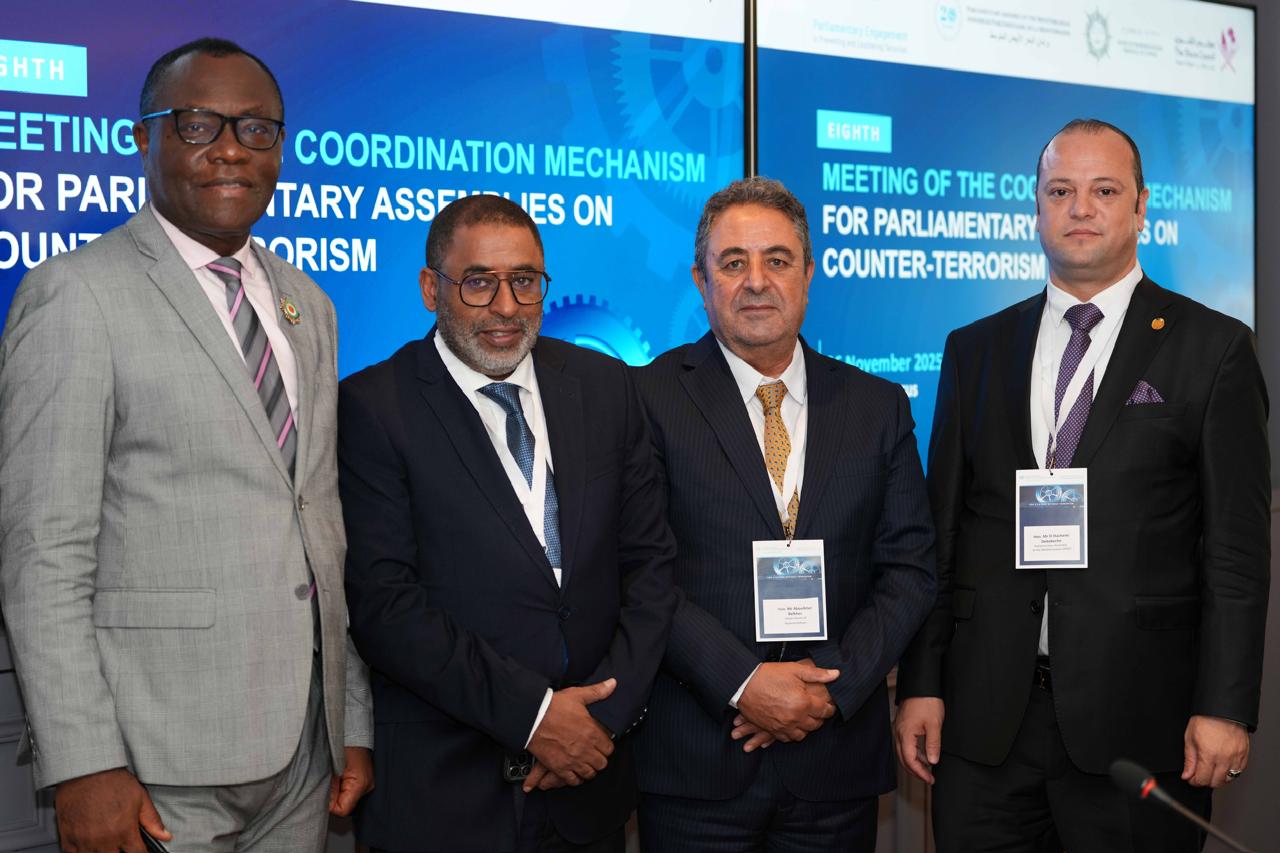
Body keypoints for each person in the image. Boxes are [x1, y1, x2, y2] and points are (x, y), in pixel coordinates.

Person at [0, 37, 374, 853]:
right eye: (199, 124)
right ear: (144, 138)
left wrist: (348, 717)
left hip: (301, 758)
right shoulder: (75, 294)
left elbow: (320, 522)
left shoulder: (309, 301)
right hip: (151, 762)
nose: (231, 149)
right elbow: (42, 552)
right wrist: (84, 762)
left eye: (256, 128)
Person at [895, 118, 1270, 852]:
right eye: (1061, 191)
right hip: (986, 725)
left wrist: (1226, 707)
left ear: (1141, 206)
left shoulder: (1213, 347)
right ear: (1035, 207)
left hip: (1142, 724)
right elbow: (944, 533)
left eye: (1104, 190)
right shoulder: (975, 349)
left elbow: (1235, 551)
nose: (1081, 208)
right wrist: (921, 681)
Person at [338, 192, 676, 853]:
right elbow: (385, 605)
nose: (506, 306)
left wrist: (599, 719)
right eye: (478, 282)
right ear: (431, 288)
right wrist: (537, 717)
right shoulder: (374, 407)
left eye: (524, 281)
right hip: (446, 799)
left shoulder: (607, 386)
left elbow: (651, 567)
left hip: (590, 783)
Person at [631, 176, 936, 852]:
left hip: (832, 765)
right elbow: (640, 573)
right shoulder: (645, 398)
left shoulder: (877, 406)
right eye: (732, 262)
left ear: (808, 274)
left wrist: (825, 691)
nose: (756, 281)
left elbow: (909, 571)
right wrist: (743, 683)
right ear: (701, 281)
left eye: (777, 259)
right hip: (697, 763)